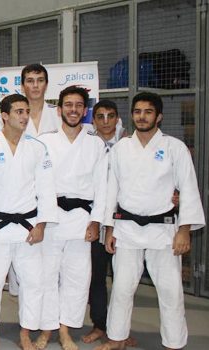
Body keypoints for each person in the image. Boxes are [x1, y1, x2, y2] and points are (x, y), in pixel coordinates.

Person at [97, 92, 205, 350]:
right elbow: (112, 189)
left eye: (147, 112)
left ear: (159, 117)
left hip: (163, 229)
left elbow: (188, 189)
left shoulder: (174, 148)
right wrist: (109, 228)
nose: (142, 116)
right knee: (122, 287)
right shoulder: (122, 148)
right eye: (137, 111)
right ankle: (117, 338)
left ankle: (174, 343)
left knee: (170, 291)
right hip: (126, 228)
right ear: (132, 116)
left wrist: (184, 230)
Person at [0, 94, 58, 350]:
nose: (24, 116)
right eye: (19, 111)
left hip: (28, 228)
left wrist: (41, 224)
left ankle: (25, 333)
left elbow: (47, 190)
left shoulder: (38, 148)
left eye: (27, 111)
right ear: (4, 116)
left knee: (33, 283)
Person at [33, 86, 108, 350]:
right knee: (47, 277)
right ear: (60, 109)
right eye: (68, 105)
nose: (73, 110)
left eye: (78, 105)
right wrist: (40, 220)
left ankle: (65, 330)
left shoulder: (95, 144)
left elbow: (103, 186)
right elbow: (37, 183)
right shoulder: (45, 141)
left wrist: (96, 221)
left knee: (77, 278)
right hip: (51, 217)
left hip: (81, 219)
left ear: (84, 110)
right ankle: (47, 329)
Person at [81, 99, 136, 347]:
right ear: (93, 120)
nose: (105, 121)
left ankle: (121, 330)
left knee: (125, 280)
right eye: (100, 116)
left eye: (110, 116)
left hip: (124, 221)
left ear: (117, 119)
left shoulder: (129, 145)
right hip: (96, 219)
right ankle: (100, 325)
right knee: (97, 277)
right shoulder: (87, 145)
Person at [0, 63, 59, 136]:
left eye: (40, 80)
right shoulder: (7, 116)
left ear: (46, 85)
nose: (35, 85)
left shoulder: (59, 114)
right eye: (30, 81)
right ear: (22, 86)